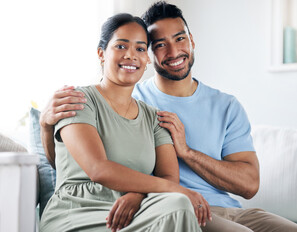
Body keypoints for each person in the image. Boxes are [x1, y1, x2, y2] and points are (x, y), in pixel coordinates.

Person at [40, 2, 297, 232]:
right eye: (159, 44)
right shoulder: (123, 98)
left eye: (179, 38)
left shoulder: (223, 106)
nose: (172, 52)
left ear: (191, 41)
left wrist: (187, 152)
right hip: (173, 207)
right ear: (152, 55)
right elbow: (75, 164)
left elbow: (250, 184)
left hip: (228, 209)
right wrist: (45, 125)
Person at [39, 13, 209, 232]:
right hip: (79, 209)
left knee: (178, 205)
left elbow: (169, 176)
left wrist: (138, 194)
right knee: (179, 199)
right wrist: (179, 190)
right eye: (121, 46)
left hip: (134, 209)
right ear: (101, 54)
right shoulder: (77, 100)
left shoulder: (154, 118)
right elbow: (98, 169)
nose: (131, 55)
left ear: (147, 59)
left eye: (140, 49)